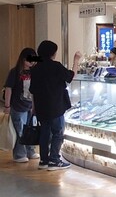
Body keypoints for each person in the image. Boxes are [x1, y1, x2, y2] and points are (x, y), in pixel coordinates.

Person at [29, 40, 81, 171]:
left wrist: (34, 107)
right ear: (52, 53)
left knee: (44, 133)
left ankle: (44, 160)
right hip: (55, 105)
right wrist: (76, 60)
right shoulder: (56, 66)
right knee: (58, 132)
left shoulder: (35, 68)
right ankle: (54, 160)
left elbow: (33, 90)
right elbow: (70, 77)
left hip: (41, 106)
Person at [3, 48, 39, 163]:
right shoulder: (15, 72)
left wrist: (35, 106)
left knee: (30, 130)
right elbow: (8, 89)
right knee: (20, 131)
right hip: (18, 106)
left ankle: (30, 151)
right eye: (29, 60)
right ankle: (19, 155)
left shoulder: (34, 72)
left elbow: (35, 91)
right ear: (23, 59)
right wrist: (7, 106)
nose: (32, 62)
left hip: (30, 106)